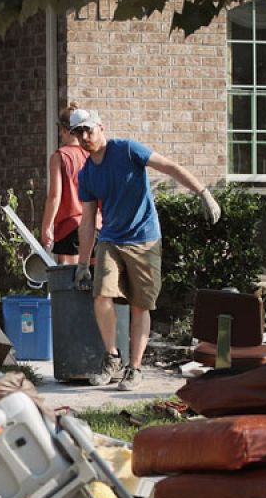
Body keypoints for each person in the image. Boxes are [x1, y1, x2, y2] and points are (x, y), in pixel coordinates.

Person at [70, 107, 221, 390]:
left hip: (145, 238)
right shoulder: (87, 174)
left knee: (141, 306)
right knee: (101, 295)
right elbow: (88, 222)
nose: (85, 136)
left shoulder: (127, 150)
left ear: (101, 127)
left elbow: (170, 167)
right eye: (79, 133)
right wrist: (81, 264)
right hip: (111, 239)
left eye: (89, 129)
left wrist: (204, 192)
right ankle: (112, 357)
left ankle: (135, 368)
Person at [38, 103, 97, 266]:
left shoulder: (60, 156)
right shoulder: (93, 154)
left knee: (71, 284)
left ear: (64, 130)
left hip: (71, 228)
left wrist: (46, 227)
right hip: (96, 226)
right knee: (95, 284)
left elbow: (55, 196)